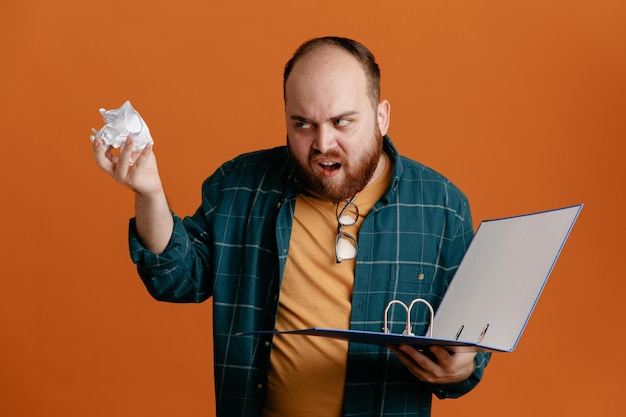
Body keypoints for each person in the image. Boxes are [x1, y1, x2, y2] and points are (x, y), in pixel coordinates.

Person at [92, 36, 490, 417]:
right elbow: (177, 279)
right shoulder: (240, 184)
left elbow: (471, 344)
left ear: (381, 116)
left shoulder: (442, 206)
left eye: (342, 122)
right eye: (303, 124)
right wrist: (150, 194)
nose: (322, 143)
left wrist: (463, 369)